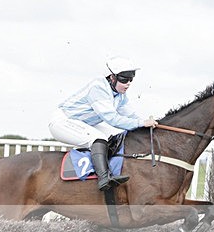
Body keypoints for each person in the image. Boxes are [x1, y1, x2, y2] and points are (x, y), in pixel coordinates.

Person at [48, 56, 158, 191]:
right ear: (112, 77)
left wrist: (147, 124)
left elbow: (131, 116)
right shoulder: (98, 87)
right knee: (99, 139)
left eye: (131, 79)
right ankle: (104, 179)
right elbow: (112, 119)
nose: (128, 83)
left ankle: (111, 170)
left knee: (117, 135)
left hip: (83, 123)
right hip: (62, 122)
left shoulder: (120, 95)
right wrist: (141, 123)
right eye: (124, 79)